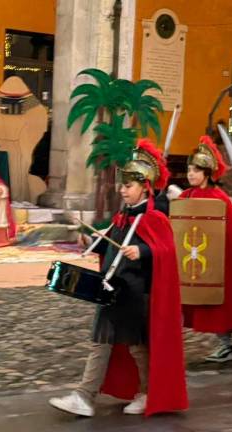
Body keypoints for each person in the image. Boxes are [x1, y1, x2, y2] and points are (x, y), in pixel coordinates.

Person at [48, 139, 187, 416]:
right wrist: (91, 239)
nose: (122, 191)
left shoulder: (155, 218)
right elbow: (110, 245)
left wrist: (143, 250)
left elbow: (167, 251)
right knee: (101, 342)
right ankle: (85, 396)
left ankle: (147, 392)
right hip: (113, 290)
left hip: (136, 293)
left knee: (135, 348)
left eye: (128, 186)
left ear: (145, 187)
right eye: (122, 185)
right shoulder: (123, 216)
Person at [180, 136, 232, 362]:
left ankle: (226, 345)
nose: (191, 174)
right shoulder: (186, 196)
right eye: (189, 169)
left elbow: (230, 236)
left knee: (218, 303)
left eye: (196, 170)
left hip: (216, 260)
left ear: (208, 172)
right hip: (191, 257)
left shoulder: (220, 199)